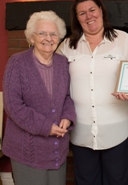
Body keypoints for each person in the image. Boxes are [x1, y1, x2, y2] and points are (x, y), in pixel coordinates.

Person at [56, 0, 128, 185]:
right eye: (82, 13)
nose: (89, 16)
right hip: (81, 130)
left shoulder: (123, 40)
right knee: (86, 181)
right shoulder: (68, 45)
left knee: (118, 180)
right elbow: (55, 80)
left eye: (92, 10)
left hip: (117, 129)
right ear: (77, 19)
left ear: (101, 11)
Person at [2, 10, 76, 185]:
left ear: (59, 37)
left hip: (57, 148)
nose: (48, 38)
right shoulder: (17, 62)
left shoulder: (62, 62)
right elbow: (13, 105)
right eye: (42, 33)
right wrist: (46, 126)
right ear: (32, 37)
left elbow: (67, 96)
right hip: (26, 149)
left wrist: (67, 116)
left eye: (53, 34)